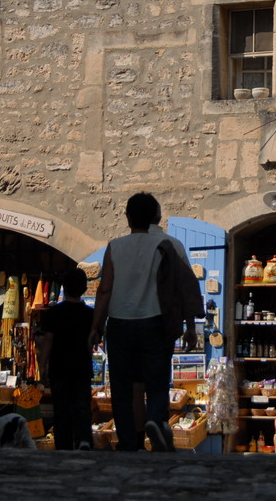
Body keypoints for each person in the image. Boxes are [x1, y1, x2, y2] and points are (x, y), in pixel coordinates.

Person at [89, 192, 203, 451]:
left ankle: (129, 441)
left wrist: (96, 326)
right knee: (157, 382)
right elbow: (182, 287)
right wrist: (190, 326)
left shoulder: (115, 246)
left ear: (128, 218)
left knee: (122, 387)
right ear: (156, 217)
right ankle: (154, 420)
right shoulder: (168, 244)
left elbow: (104, 290)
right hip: (155, 323)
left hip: (119, 324)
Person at [37, 268, 95, 451]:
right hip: (82, 367)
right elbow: (92, 343)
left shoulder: (54, 313)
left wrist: (42, 365)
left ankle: (63, 444)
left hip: (59, 367)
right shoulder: (90, 314)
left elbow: (48, 341)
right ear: (85, 288)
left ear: (64, 287)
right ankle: (84, 439)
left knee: (61, 408)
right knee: (82, 406)